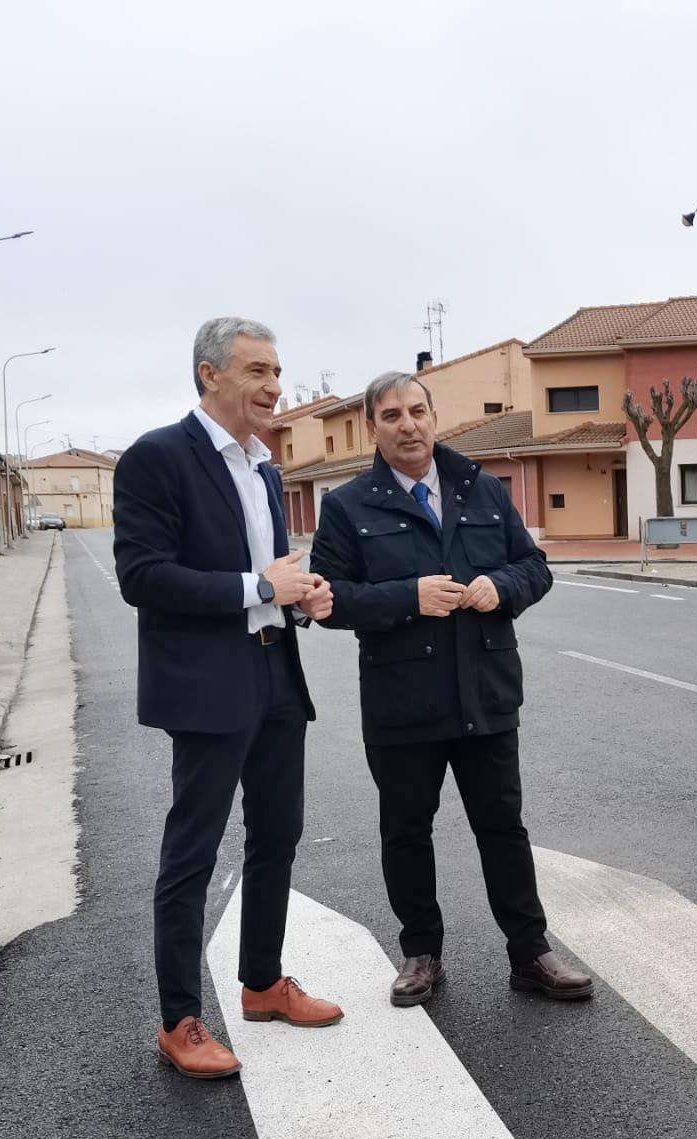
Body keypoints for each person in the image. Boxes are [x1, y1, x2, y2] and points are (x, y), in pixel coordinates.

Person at [310, 371, 594, 1007]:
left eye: (417, 411)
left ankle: (530, 953)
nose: (407, 425)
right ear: (372, 427)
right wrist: (408, 598)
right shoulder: (348, 506)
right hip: (402, 702)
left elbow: (534, 567)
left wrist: (505, 588)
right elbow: (328, 602)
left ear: (434, 416)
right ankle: (421, 953)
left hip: (485, 694)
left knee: (503, 828)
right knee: (406, 830)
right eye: (391, 416)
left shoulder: (481, 488)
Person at [113, 317, 343, 1079]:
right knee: (194, 851)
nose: (274, 386)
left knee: (278, 834)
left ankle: (263, 983)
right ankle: (179, 1021)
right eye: (256, 371)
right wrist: (257, 588)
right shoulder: (157, 457)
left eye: (276, 371)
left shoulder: (265, 470)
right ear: (209, 375)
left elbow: (265, 573)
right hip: (207, 684)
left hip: (276, 669)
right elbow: (142, 577)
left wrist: (297, 593)